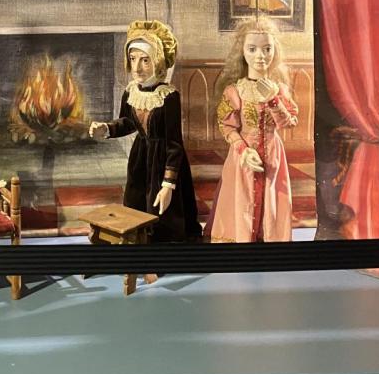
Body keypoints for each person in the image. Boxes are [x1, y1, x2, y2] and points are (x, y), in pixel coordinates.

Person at [89, 20, 201, 242]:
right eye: (133, 59)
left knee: (162, 214)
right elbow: (128, 123)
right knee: (136, 203)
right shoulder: (131, 92)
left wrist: (168, 184)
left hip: (163, 161)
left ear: (158, 61)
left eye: (145, 60)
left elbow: (174, 144)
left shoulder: (168, 96)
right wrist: (107, 128)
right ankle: (137, 245)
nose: (137, 67)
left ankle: (161, 250)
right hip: (140, 158)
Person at [205, 19, 298, 243]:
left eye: (267, 49)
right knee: (243, 199)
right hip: (243, 157)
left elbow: (289, 123)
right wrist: (243, 150)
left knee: (272, 200)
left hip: (273, 154)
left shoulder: (280, 89)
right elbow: (227, 126)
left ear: (274, 51)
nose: (260, 56)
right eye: (252, 49)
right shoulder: (235, 90)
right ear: (242, 51)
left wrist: (273, 100)